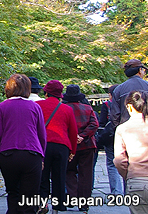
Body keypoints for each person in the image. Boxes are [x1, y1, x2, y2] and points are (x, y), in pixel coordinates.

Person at [0, 74, 46, 214]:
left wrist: (2, 148)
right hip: (31, 153)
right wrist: (42, 156)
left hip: (8, 154)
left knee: (12, 193)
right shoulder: (34, 107)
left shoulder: (2, 106)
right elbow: (41, 134)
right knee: (29, 198)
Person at [36, 80, 78, 213]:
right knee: (59, 177)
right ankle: (57, 207)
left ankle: (42, 203)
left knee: (42, 177)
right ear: (60, 94)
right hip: (61, 146)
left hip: (42, 145)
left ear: (46, 92)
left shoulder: (37, 106)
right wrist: (73, 150)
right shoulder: (67, 109)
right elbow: (73, 131)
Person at [62, 84, 99, 213]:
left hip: (69, 146)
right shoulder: (88, 108)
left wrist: (73, 137)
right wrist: (82, 136)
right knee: (86, 174)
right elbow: (95, 124)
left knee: (68, 171)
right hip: (87, 145)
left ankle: (73, 197)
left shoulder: (63, 109)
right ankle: (84, 203)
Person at [114, 90, 148, 214]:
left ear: (129, 106)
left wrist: (128, 176)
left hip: (138, 181)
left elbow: (119, 161)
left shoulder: (123, 129)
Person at [98, 85, 123, 195]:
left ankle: (116, 192)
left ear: (110, 94)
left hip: (110, 137)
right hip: (124, 136)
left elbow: (102, 123)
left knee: (111, 163)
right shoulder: (126, 105)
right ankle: (128, 192)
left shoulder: (107, 105)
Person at [110, 59, 148, 127]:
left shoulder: (118, 89)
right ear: (139, 70)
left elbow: (115, 116)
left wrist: (119, 130)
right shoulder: (146, 85)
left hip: (127, 130)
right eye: (143, 70)